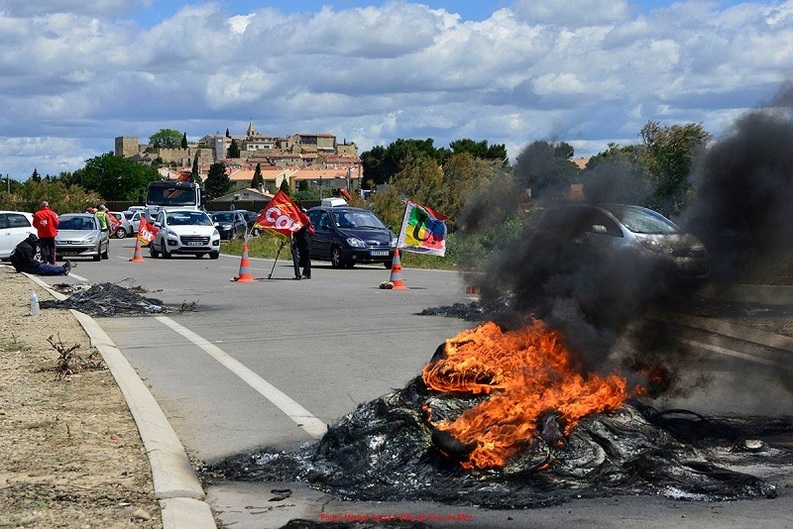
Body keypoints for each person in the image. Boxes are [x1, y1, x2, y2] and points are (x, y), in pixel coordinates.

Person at [33, 201, 59, 265]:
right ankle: (52, 261)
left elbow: (34, 224)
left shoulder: (37, 214)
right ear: (48, 206)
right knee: (51, 248)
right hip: (51, 233)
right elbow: (56, 223)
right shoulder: (51, 213)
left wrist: (40, 228)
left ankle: (44, 260)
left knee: (43, 248)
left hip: (42, 234)